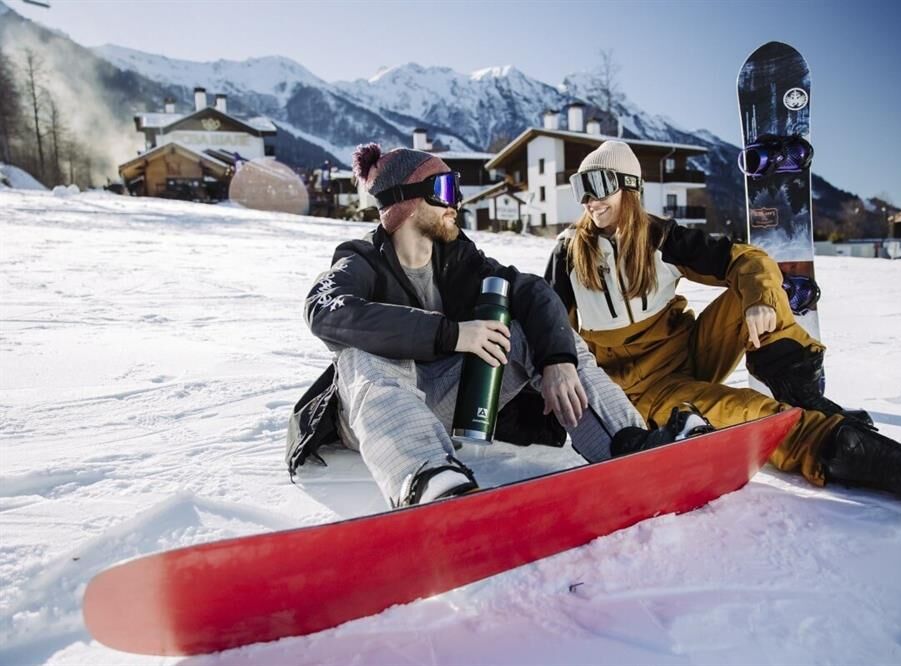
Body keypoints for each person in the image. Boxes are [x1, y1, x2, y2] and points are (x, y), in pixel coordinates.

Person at [544, 140, 901, 510]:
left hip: (689, 356)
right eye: (581, 189)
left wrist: (760, 302)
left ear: (629, 187)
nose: (590, 202)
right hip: (640, 391)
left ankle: (798, 389)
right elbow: (549, 327)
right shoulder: (570, 253)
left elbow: (747, 259)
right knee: (753, 415)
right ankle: (879, 461)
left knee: (755, 275)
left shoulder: (662, 237)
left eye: (598, 186)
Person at [298, 143, 702, 508]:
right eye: (444, 190)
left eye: (457, 189)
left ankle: (629, 443)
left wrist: (557, 360)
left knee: (534, 333)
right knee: (361, 354)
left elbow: (530, 290)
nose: (456, 203)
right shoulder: (362, 259)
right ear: (406, 201)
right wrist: (452, 334)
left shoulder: (458, 259)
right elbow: (324, 309)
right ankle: (427, 480)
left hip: (440, 400)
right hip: (372, 413)